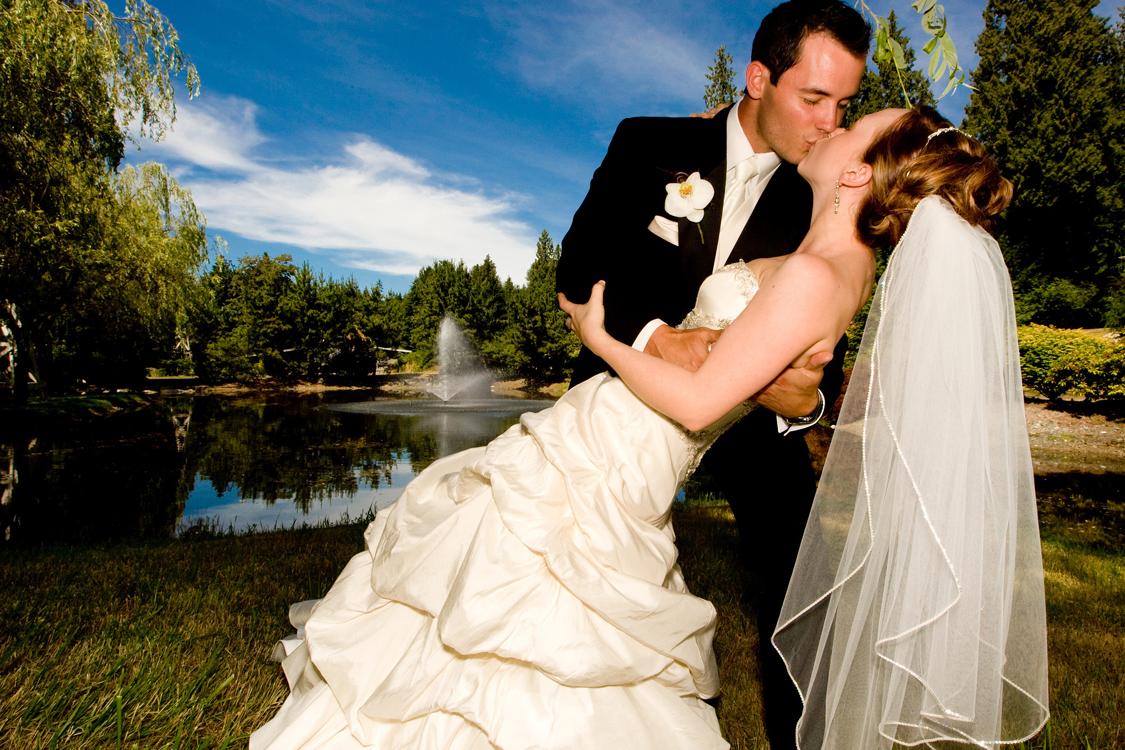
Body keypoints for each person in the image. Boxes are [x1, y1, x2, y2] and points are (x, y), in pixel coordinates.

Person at [563, 106, 1048, 749]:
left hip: (625, 452)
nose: (831, 127)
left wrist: (603, 338)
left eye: (850, 124)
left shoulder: (816, 273)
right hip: (609, 445)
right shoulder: (826, 258)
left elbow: (700, 403)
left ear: (854, 173)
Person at [555, 2, 869, 744]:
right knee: (562, 549)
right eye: (812, 98)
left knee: (799, 569)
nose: (829, 122)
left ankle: (799, 734)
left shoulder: (821, 192)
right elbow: (578, 266)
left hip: (749, 415)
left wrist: (806, 399)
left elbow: (825, 348)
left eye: (844, 104)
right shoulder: (649, 143)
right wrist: (659, 339)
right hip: (625, 385)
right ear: (758, 77)